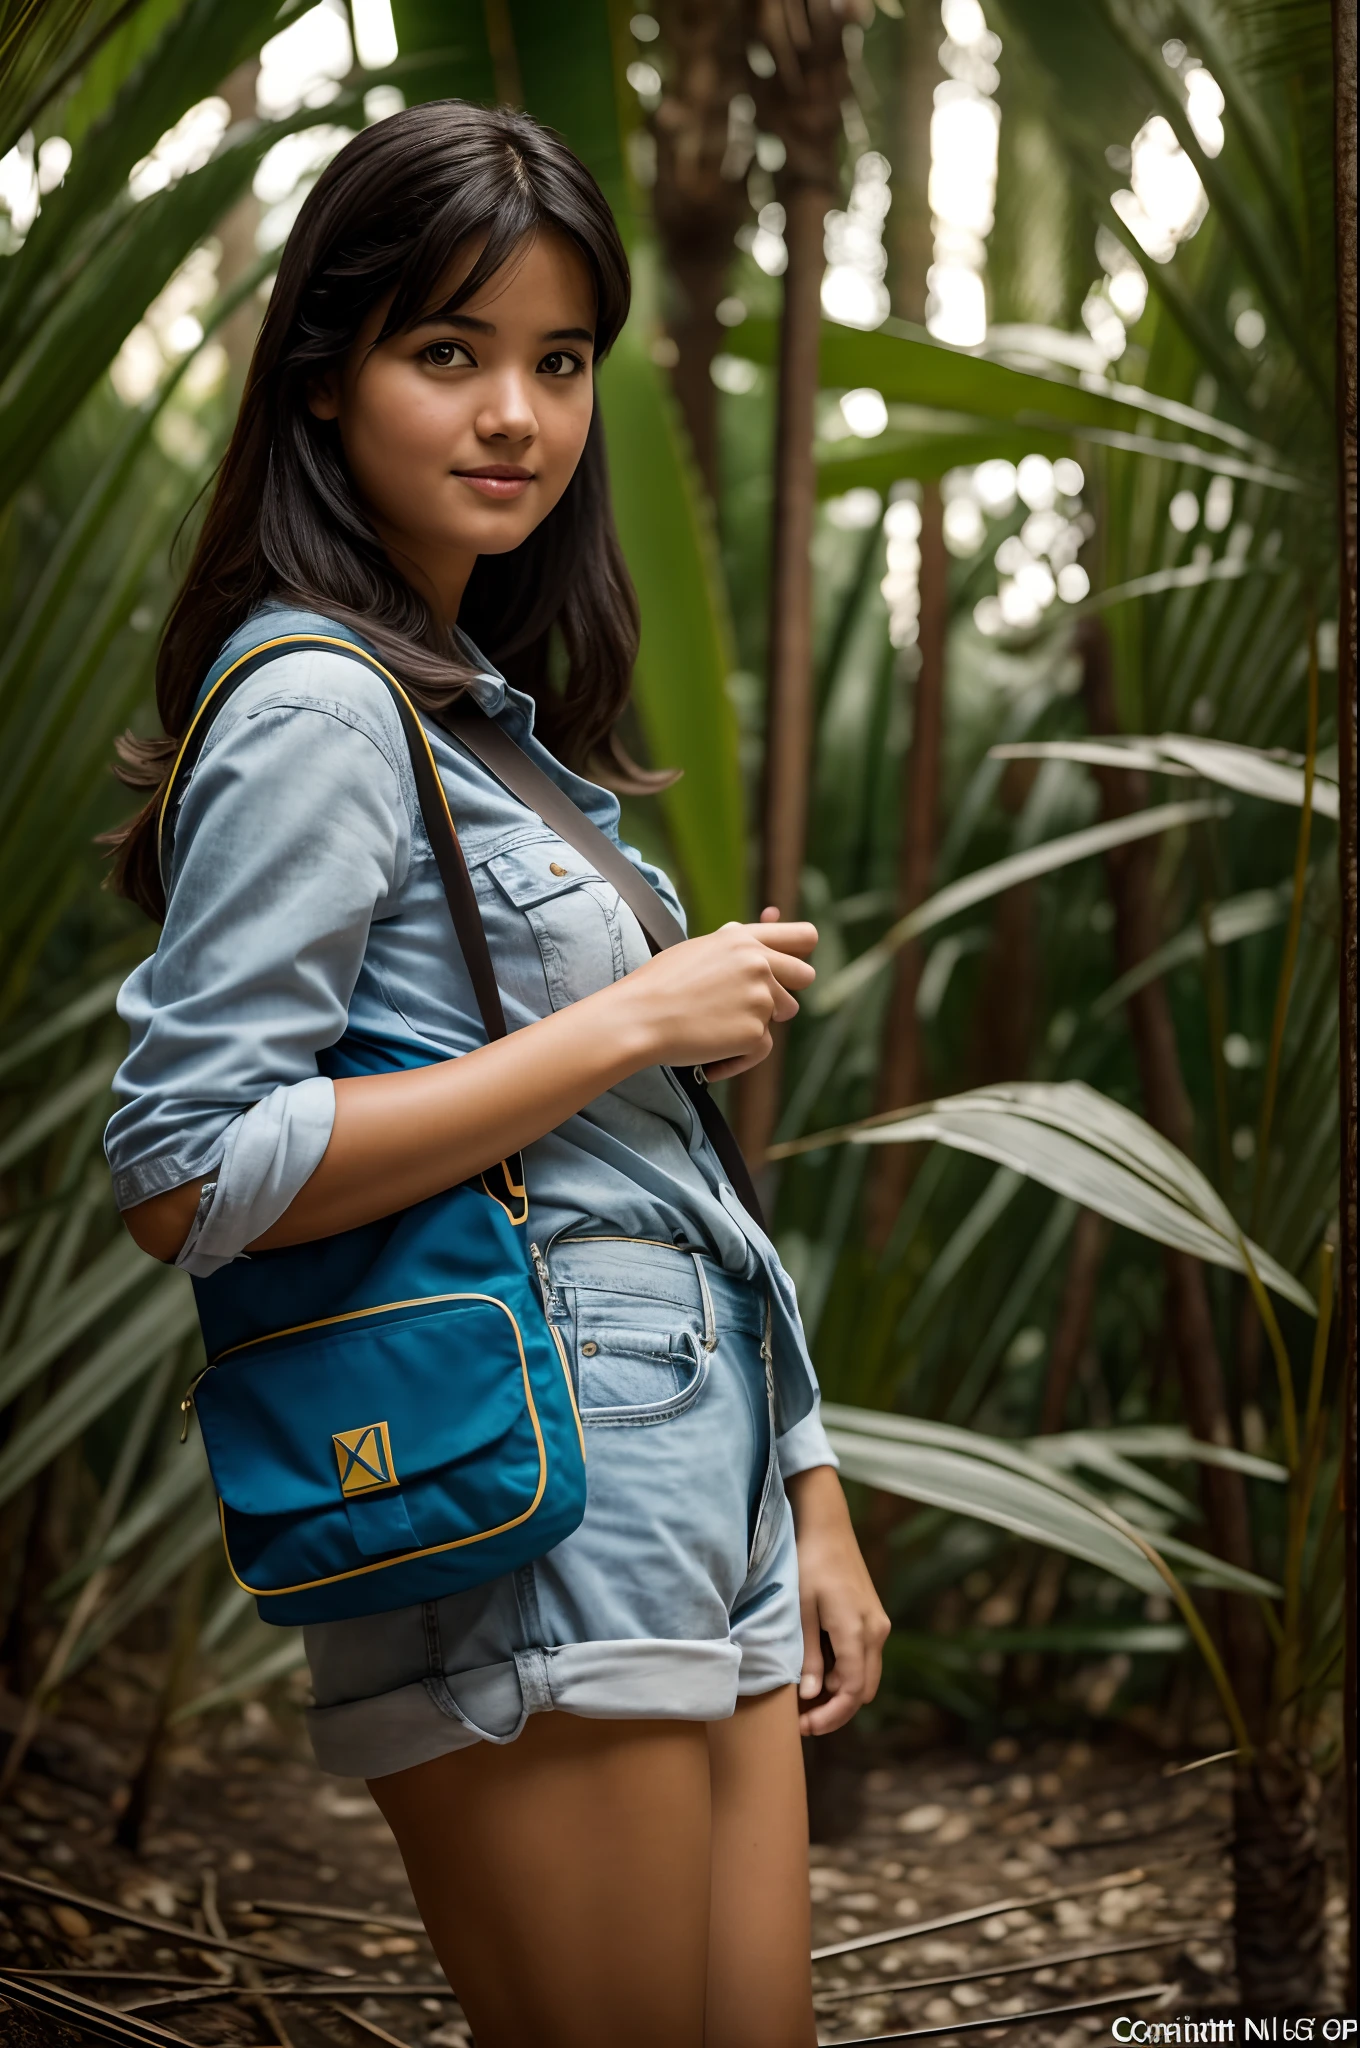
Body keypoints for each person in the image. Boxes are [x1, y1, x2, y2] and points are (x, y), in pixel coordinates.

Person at [104, 100, 889, 2048]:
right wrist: (624, 1014)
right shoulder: (313, 705)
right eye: (444, 351)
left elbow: (661, 1174)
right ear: (321, 379)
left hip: (690, 1469)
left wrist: (806, 1487)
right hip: (531, 1467)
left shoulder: (512, 739)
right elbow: (185, 1169)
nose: (515, 415)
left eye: (555, 362)